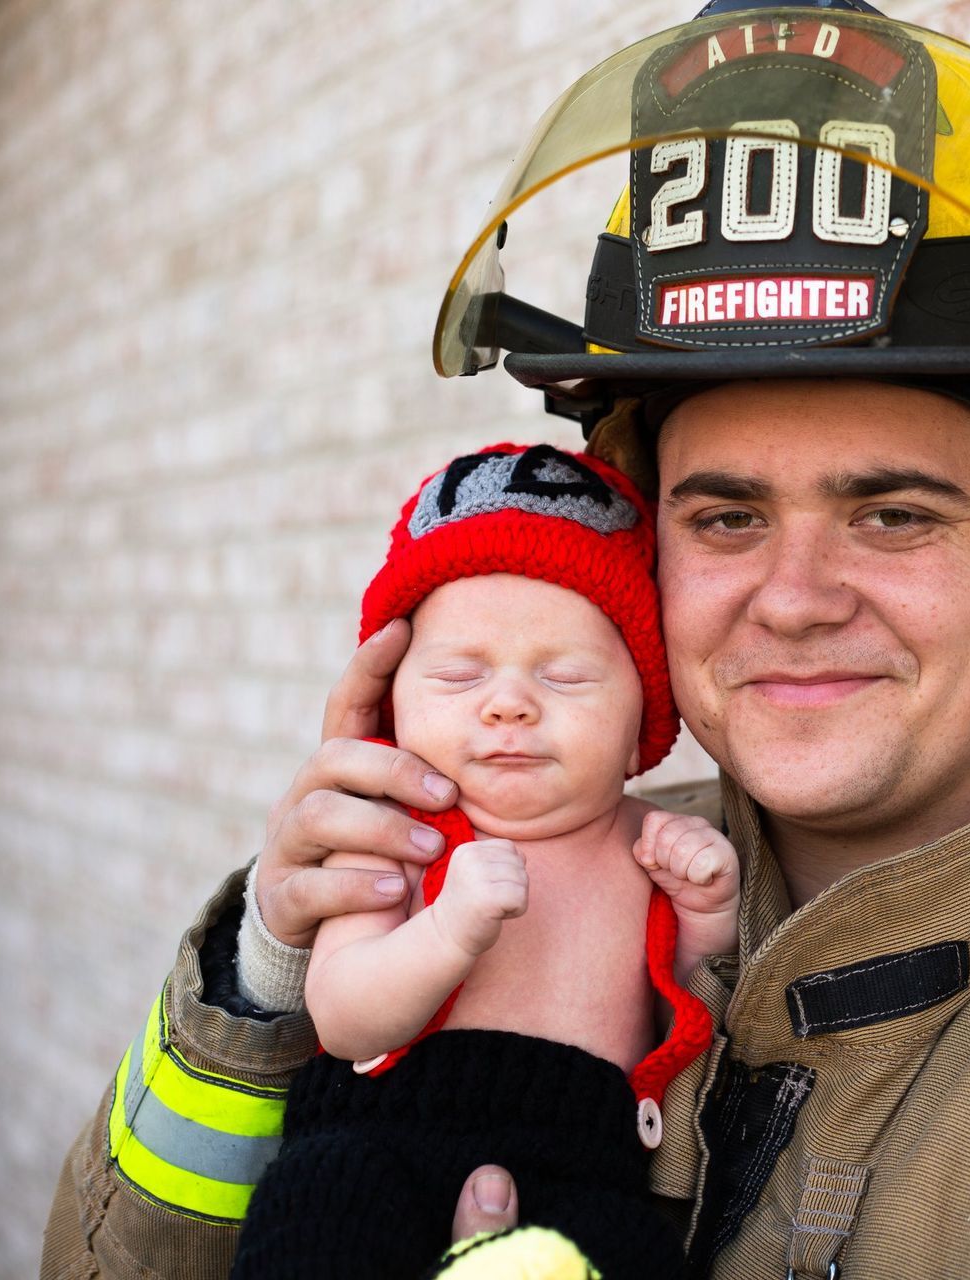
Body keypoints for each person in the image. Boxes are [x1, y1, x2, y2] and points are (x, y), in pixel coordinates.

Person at [43, 3, 970, 1277]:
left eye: (892, 516)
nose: (793, 597)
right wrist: (265, 976)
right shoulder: (564, 882)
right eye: (727, 518)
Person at [224, 443, 734, 1278]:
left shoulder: (648, 843)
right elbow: (346, 1017)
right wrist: (448, 930)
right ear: (393, 700)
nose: (508, 705)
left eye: (566, 678)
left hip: (586, 1163)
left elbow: (688, 1002)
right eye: (460, 676)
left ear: (646, 706)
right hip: (376, 1134)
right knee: (315, 1224)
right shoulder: (397, 832)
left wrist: (707, 915)